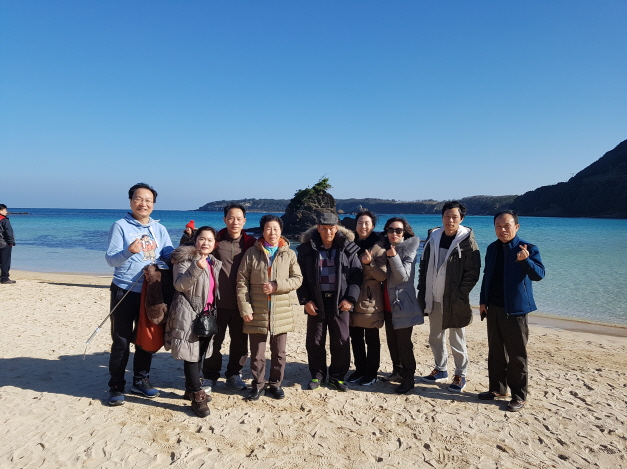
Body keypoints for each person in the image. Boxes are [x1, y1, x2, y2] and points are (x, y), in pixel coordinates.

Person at [104, 182, 174, 406]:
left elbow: (168, 254)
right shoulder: (120, 226)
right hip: (124, 290)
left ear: (153, 204)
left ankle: (140, 381)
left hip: (151, 292)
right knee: (121, 340)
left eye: (148, 200)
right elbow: (111, 260)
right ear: (131, 201)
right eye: (138, 199)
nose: (143, 203)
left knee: (146, 338)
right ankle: (116, 385)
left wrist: (187, 250)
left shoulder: (159, 229)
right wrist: (129, 251)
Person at [478, 210, 545, 412]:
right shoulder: (492, 248)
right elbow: (487, 276)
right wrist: (483, 301)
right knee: (495, 352)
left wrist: (526, 260)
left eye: (506, 225)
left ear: (516, 226)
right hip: (493, 308)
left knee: (517, 356)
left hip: (516, 310)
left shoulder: (528, 248)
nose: (502, 230)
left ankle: (519, 396)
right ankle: (497, 389)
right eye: (498, 226)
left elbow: (539, 275)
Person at [236, 215, 303, 401]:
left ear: (281, 231)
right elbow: (242, 282)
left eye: (275, 228)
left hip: (280, 311)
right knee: (257, 354)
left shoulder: (289, 254)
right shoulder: (252, 252)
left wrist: (277, 285)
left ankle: (275, 384)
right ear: (262, 231)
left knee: (279, 353)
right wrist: (245, 308)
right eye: (268, 228)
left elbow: (297, 279)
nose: (272, 232)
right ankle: (258, 385)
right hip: (256, 310)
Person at [418, 201, 481, 392]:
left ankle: (460, 374)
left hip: (455, 300)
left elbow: (473, 272)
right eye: (447, 216)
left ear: (461, 218)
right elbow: (424, 265)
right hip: (434, 296)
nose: (450, 220)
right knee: (435, 337)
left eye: (454, 217)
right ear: (442, 217)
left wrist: (461, 293)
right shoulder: (433, 237)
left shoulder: (467, 241)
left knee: (457, 339)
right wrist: (423, 289)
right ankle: (440, 369)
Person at [297, 212, 363, 392]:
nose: (328, 232)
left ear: (337, 228)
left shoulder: (348, 248)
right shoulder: (307, 249)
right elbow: (299, 277)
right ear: (318, 228)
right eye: (324, 228)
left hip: (340, 302)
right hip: (316, 302)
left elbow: (357, 276)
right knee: (315, 341)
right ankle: (317, 375)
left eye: (331, 228)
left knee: (341, 340)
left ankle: (337, 377)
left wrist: (350, 299)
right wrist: (306, 300)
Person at [166, 226, 221, 418]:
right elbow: (179, 285)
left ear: (215, 244)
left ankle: (190, 389)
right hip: (188, 313)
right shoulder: (184, 259)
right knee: (190, 354)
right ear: (195, 240)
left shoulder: (213, 262)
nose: (206, 243)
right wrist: (196, 268)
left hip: (206, 315)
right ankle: (197, 395)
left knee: (199, 355)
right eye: (202, 239)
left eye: (210, 240)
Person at [201, 203, 256, 392]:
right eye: (231, 218)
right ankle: (210, 376)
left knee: (240, 343)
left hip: (242, 303)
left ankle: (234, 374)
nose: (235, 222)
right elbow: (198, 250)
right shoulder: (216, 241)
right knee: (213, 342)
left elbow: (270, 249)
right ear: (224, 219)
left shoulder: (250, 243)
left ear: (244, 221)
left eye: (239, 218)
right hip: (217, 303)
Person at [381, 217, 423, 394]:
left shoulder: (409, 249)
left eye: (398, 230)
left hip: (403, 304)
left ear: (404, 232)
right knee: (392, 342)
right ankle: (397, 372)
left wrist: (393, 257)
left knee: (404, 344)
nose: (394, 233)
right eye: (390, 230)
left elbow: (403, 277)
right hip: (387, 303)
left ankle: (408, 379)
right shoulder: (383, 247)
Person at [347, 210, 387, 386]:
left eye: (366, 223)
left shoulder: (379, 247)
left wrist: (369, 264)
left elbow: (382, 276)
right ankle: (360, 369)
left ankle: (371, 373)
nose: (363, 226)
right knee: (355, 337)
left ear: (373, 226)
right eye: (360, 223)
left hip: (370, 297)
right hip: (351, 294)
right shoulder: (350, 244)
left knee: (371, 338)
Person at [0, 204, 16, 285]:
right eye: (5, 210)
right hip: (4, 243)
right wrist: (11, 242)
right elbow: (8, 232)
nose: (6, 212)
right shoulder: (4, 220)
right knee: (5, 261)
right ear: (1, 211)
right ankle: (4, 278)